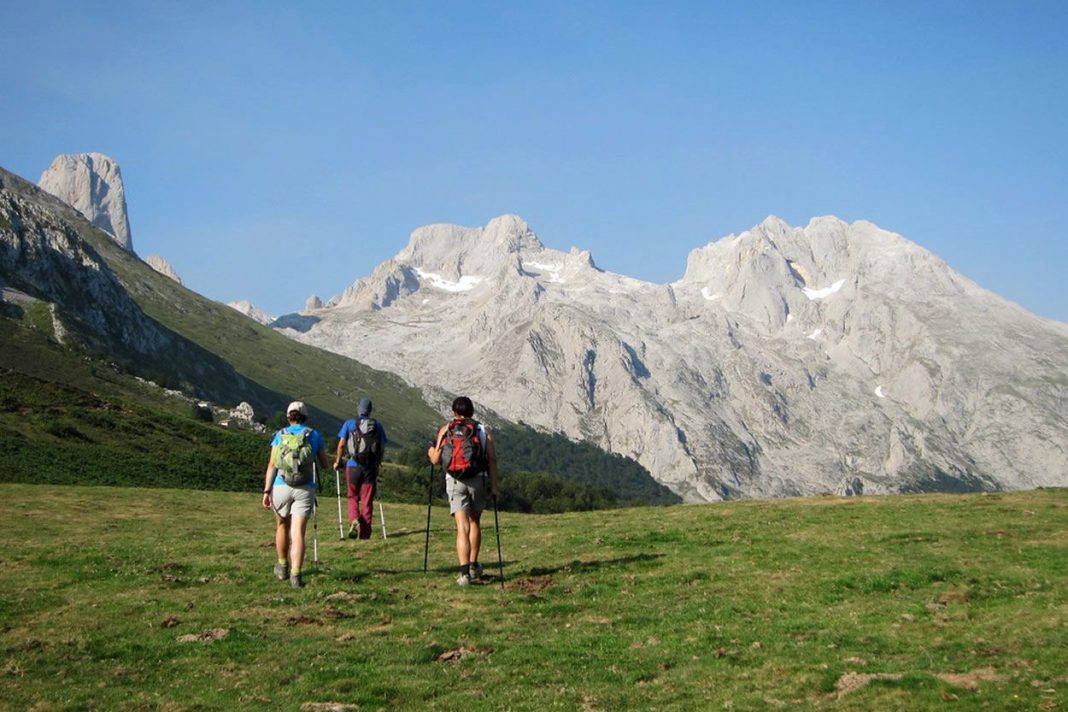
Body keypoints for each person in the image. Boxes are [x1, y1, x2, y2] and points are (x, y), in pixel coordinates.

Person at [427, 396, 499, 586]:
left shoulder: (446, 430)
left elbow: (435, 460)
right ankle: (474, 566)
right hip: (478, 479)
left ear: (454, 412)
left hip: (455, 480)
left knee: (462, 527)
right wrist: (494, 486)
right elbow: (492, 459)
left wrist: (430, 452)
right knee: (475, 521)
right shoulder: (483, 430)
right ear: (472, 412)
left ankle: (464, 573)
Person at [261, 401, 331, 588]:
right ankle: (296, 576)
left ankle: (282, 566)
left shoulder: (280, 435)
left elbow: (272, 464)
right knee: (298, 532)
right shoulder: (314, 435)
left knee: (282, 526)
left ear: (288, 417)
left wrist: (267, 490)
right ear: (305, 417)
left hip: (281, 485)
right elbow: (324, 464)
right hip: (305, 487)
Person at [334, 397, 388, 539]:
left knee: (352, 496)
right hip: (370, 468)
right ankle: (364, 534)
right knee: (367, 500)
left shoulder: (349, 424)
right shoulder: (378, 426)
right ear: (370, 410)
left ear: (359, 409)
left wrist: (338, 461)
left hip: (352, 466)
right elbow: (381, 448)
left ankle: (354, 520)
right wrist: (378, 463)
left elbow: (341, 444)